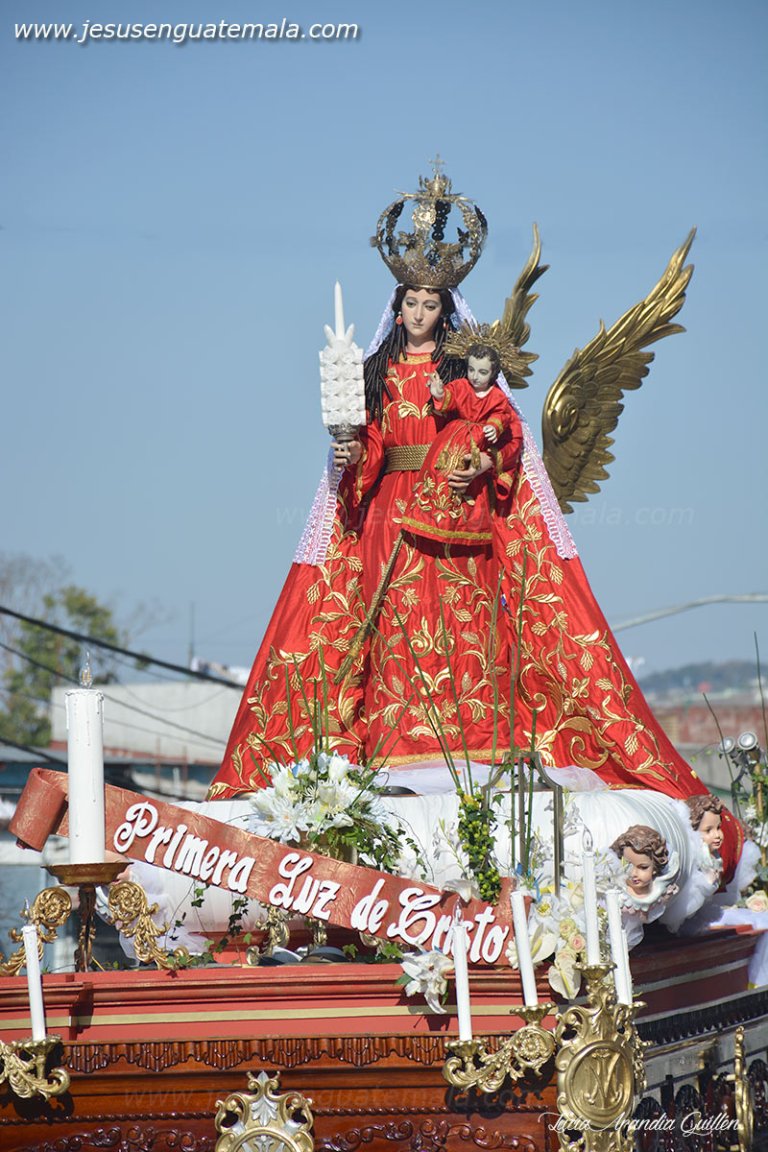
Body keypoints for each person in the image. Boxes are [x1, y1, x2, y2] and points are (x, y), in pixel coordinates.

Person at [208, 169, 742, 880]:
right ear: (398, 309)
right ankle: (383, 749)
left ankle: (474, 746)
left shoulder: (465, 374)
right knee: (384, 628)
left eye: (433, 302)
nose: (422, 312)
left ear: (445, 309)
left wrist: (480, 461)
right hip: (385, 517)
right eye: (413, 302)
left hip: (456, 524)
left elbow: (504, 431)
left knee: (462, 627)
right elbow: (365, 445)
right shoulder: (373, 372)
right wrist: (348, 451)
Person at [400, 343, 514, 544]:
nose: (475, 376)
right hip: (452, 438)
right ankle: (429, 511)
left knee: (467, 482)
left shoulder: (497, 396)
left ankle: (462, 523)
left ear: (493, 373)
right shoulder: (462, 385)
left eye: (482, 372)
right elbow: (450, 397)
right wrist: (439, 393)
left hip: (476, 442)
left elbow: (501, 415)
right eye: (471, 370)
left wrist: (493, 428)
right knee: (440, 474)